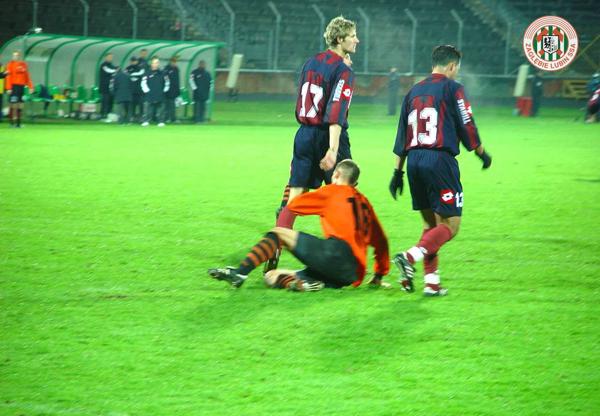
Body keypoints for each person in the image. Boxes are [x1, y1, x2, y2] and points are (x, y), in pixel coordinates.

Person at [389, 45, 492, 296]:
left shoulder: (413, 91)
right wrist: (481, 153)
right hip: (439, 161)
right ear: (452, 66)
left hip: (414, 161)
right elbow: (467, 123)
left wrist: (397, 174)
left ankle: (431, 283)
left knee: (431, 224)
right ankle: (409, 257)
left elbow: (402, 136)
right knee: (450, 225)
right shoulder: (453, 88)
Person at [266, 15, 359, 272]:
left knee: (295, 198)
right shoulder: (344, 70)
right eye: (352, 36)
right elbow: (336, 111)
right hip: (327, 135)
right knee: (345, 197)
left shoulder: (310, 62)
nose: (357, 40)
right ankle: (346, 260)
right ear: (340, 39)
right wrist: (332, 149)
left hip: (304, 134)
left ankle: (273, 249)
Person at [208, 160, 389, 291]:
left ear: (336, 175)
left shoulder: (332, 191)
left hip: (336, 254)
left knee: (278, 233)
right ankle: (302, 284)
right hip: (350, 274)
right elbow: (381, 241)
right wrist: (378, 276)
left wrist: (293, 181)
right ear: (355, 184)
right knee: (270, 277)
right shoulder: (366, 204)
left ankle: (240, 273)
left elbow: (293, 205)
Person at [5, 51, 33, 128]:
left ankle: (18, 123)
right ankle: (11, 123)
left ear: (19, 56)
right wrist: (8, 88)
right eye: (14, 55)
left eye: (16, 55)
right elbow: (8, 77)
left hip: (21, 87)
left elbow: (27, 76)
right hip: (14, 87)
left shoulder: (23, 65)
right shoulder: (10, 65)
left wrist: (31, 86)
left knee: (21, 105)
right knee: (13, 104)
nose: (15, 57)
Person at [141, 57, 169, 127]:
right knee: (147, 109)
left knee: (161, 109)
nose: (155, 64)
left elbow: (167, 83)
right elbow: (143, 83)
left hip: (160, 94)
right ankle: (146, 121)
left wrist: (164, 90)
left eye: (157, 63)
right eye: (154, 63)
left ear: (158, 64)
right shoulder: (147, 73)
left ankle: (161, 121)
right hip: (149, 95)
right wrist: (147, 91)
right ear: (151, 64)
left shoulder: (163, 73)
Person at [99, 53, 117, 119]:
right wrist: (116, 70)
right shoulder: (103, 65)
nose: (110, 58)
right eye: (109, 57)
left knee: (110, 101)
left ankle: (109, 114)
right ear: (106, 57)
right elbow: (108, 71)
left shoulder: (112, 66)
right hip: (104, 87)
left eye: (111, 57)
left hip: (111, 88)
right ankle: (103, 115)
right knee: (105, 101)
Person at [126, 56, 144, 122]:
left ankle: (141, 117)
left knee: (141, 105)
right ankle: (132, 117)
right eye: (132, 61)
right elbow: (126, 75)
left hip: (139, 90)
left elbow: (141, 73)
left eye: (135, 61)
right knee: (131, 105)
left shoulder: (140, 68)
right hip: (131, 91)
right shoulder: (128, 68)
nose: (134, 62)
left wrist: (131, 74)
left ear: (137, 61)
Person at [163, 57, 181, 123]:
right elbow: (164, 79)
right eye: (173, 62)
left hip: (174, 91)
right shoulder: (166, 69)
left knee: (173, 105)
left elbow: (177, 80)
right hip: (167, 90)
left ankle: (173, 118)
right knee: (167, 105)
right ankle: (167, 118)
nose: (174, 63)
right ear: (170, 62)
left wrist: (178, 91)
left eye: (175, 62)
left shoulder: (176, 69)